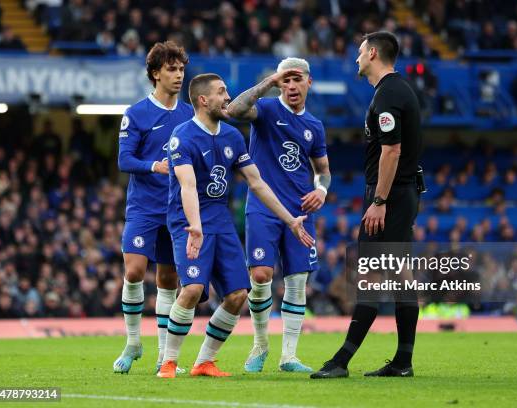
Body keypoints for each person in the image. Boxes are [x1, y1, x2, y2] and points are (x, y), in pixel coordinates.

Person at [157, 73, 314, 378]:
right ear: (204, 100)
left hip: (221, 222)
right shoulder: (182, 136)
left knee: (239, 294)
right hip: (188, 223)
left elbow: (257, 182)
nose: (228, 97)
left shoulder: (231, 136)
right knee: (192, 289)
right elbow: (187, 187)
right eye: (221, 92)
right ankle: (169, 360)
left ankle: (204, 361)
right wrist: (195, 226)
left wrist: (290, 219)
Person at [311, 31, 423, 379]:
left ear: (373, 53)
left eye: (360, 52)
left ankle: (342, 360)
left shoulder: (388, 95)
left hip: (390, 195)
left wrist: (379, 201)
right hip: (402, 194)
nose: (356, 58)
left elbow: (392, 151)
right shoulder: (397, 90)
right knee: (399, 275)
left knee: (372, 274)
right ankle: (402, 361)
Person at [227, 57, 330, 373]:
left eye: (297, 79)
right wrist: (267, 83)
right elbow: (233, 110)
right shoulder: (267, 110)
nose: (291, 85)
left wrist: (321, 190)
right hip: (263, 207)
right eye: (286, 80)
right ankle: (260, 344)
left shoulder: (314, 125)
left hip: (300, 210)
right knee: (260, 276)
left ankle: (289, 356)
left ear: (308, 82)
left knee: (298, 281)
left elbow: (323, 171)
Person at [113, 41, 194, 375]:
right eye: (171, 69)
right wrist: (153, 167)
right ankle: (133, 342)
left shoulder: (190, 113)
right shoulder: (136, 113)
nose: (178, 75)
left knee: (167, 279)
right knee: (133, 271)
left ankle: (164, 354)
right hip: (144, 208)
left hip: (176, 210)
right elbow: (124, 159)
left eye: (181, 69)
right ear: (155, 73)